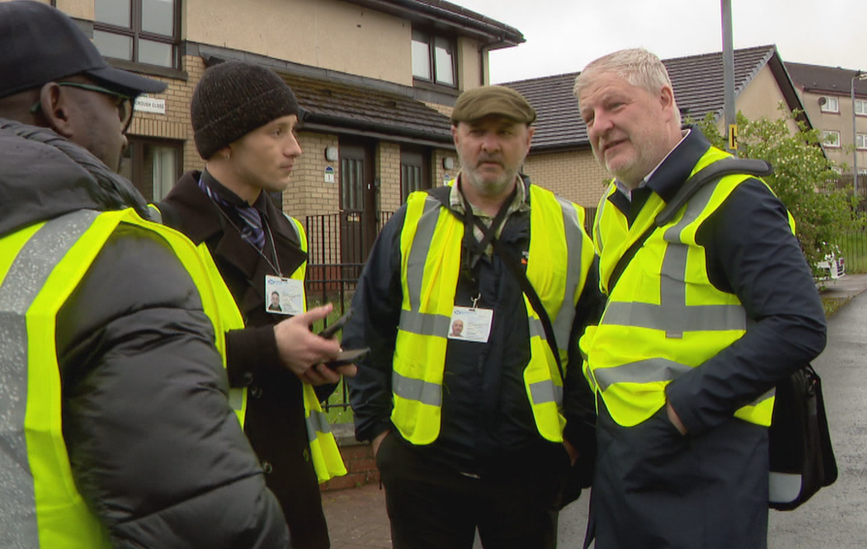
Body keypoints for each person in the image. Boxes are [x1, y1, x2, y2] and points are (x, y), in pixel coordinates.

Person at [0, 2, 290, 547]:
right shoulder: (111, 258)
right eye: (118, 106)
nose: (126, 136)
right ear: (57, 105)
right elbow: (216, 529)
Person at [574, 48, 828, 549]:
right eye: (589, 117)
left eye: (614, 106)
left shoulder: (736, 196)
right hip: (626, 455)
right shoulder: (612, 204)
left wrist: (679, 412)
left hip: (705, 458)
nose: (600, 125)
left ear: (665, 100)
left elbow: (798, 325)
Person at [342, 85, 603, 549]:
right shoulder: (414, 220)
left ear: (529, 139)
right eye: (477, 131)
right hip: (423, 468)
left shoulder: (567, 225)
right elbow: (366, 329)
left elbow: (594, 339)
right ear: (455, 137)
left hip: (529, 468)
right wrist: (379, 437)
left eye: (505, 132)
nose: (490, 145)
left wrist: (574, 440)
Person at [157, 60, 352, 549]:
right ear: (226, 141)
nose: (295, 148)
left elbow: (283, 349)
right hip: (207, 487)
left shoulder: (291, 233)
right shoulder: (160, 232)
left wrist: (314, 362)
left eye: (294, 130)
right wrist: (269, 349)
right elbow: (150, 360)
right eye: (277, 132)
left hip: (291, 491)